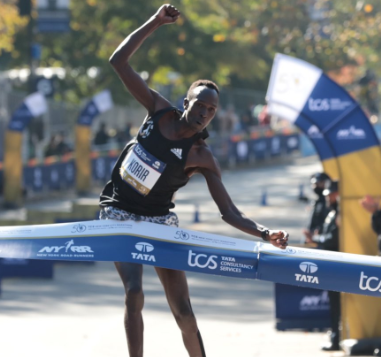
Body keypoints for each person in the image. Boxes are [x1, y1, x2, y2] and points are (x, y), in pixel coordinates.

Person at [98, 5, 289, 357]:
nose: (204, 114)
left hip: (159, 221)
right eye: (200, 105)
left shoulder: (200, 155)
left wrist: (265, 233)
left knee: (184, 311)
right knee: (134, 292)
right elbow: (118, 61)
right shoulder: (157, 109)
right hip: (118, 212)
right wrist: (155, 22)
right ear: (186, 102)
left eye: (211, 111)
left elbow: (229, 212)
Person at [308, 180, 340, 351]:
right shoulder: (332, 212)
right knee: (334, 304)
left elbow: (332, 239)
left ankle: (337, 338)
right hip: (331, 264)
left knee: (337, 304)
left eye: (330, 194)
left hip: (339, 265)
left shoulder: (339, 214)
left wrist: (315, 239)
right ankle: (335, 335)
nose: (328, 198)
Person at [303, 172, 332, 244]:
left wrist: (317, 233)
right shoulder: (316, 201)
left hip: (322, 241)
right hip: (312, 239)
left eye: (319, 183)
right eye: (314, 184)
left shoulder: (328, 202)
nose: (316, 186)